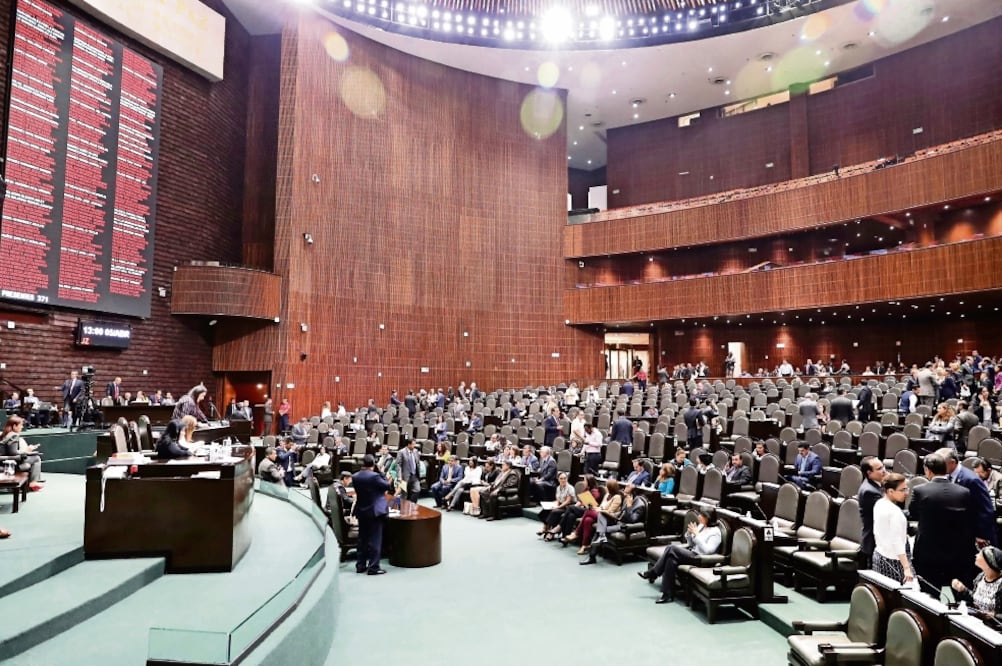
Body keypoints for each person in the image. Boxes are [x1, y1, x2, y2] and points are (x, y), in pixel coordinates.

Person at [910, 452, 975, 589]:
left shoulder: (920, 490)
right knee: (950, 588)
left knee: (929, 588)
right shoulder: (964, 491)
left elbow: (913, 514)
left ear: (927, 470)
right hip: (956, 551)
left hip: (928, 551)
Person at [639, 509, 722, 603]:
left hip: (702, 559)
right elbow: (691, 544)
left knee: (671, 548)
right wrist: (690, 534)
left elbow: (708, 551)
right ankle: (667, 595)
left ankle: (653, 572)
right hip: (692, 553)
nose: (698, 517)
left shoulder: (715, 532)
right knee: (671, 559)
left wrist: (697, 535)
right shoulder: (701, 526)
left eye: (701, 515)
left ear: (708, 518)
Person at [938, 447, 997, 547]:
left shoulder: (971, 479)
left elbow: (985, 509)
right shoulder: (946, 476)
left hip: (974, 535)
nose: (938, 467)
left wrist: (981, 534)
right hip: (959, 533)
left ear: (952, 462)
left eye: (941, 463)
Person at [352, 454, 393, 575]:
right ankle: (373, 567)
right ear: (373, 465)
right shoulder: (375, 476)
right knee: (375, 539)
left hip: (361, 510)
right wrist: (381, 472)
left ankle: (360, 565)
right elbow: (387, 486)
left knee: (362, 539)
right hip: (375, 512)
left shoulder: (355, 476)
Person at [872, 473, 914, 584]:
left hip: (879, 556)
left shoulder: (879, 503)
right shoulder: (895, 513)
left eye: (907, 488)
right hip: (895, 561)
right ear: (890, 491)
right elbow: (897, 542)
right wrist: (906, 568)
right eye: (903, 490)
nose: (907, 493)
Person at [573, 479, 623, 555]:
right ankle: (584, 545)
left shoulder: (617, 497)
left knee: (588, 511)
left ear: (611, 487)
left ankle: (576, 533)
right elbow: (602, 506)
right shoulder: (607, 495)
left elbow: (610, 511)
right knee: (588, 520)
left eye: (606, 486)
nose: (605, 487)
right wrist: (597, 508)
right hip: (601, 514)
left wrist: (598, 510)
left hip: (608, 518)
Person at [951, 546, 1002, 620]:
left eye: (980, 555)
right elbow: (976, 600)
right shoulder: (980, 577)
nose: (976, 555)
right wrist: (962, 589)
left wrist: (994, 616)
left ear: (988, 563)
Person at [857, 457, 887, 568]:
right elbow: (888, 512)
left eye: (883, 466)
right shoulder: (870, 491)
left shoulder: (875, 485)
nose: (884, 470)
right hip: (874, 542)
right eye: (879, 468)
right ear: (869, 473)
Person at [0, 415, 43, 490]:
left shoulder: (5, 434)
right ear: (14, 426)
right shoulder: (13, 435)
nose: (22, 427)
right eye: (21, 425)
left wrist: (26, 452)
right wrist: (26, 453)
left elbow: (11, 452)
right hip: (9, 464)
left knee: (32, 459)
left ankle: (32, 482)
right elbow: (13, 453)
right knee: (36, 458)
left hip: (3, 462)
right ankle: (33, 482)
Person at [538, 472, 575, 541]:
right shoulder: (558, 488)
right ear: (558, 479)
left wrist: (558, 507)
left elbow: (568, 501)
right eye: (561, 478)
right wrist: (553, 505)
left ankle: (550, 533)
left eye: (565, 478)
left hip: (568, 508)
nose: (563, 480)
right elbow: (558, 500)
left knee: (554, 512)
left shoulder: (570, 488)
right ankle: (545, 528)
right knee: (545, 510)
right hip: (560, 505)